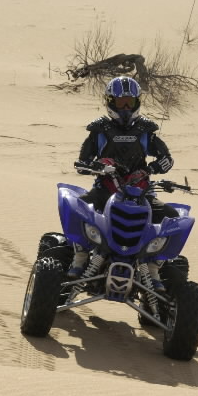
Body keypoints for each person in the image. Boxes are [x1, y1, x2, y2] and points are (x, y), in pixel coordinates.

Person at [67, 76, 178, 293]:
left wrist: (150, 169)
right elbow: (82, 163)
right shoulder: (99, 130)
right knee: (77, 208)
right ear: (110, 102)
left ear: (137, 102)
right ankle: (80, 257)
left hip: (140, 193)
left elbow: (167, 159)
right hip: (105, 189)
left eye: (130, 102)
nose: (126, 108)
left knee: (172, 218)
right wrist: (99, 166)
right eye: (121, 102)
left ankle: (154, 267)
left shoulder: (146, 130)